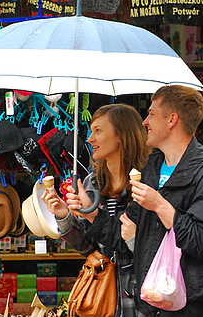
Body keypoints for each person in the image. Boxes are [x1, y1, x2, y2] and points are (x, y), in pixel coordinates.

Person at [67, 86, 203, 316]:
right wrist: (90, 212)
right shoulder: (151, 171)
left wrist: (160, 206)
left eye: (152, 114)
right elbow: (122, 237)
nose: (145, 122)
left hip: (189, 307)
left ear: (172, 119)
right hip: (150, 305)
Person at [42, 103, 150, 317]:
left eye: (98, 131)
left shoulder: (146, 184)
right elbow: (89, 249)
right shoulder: (92, 183)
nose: (90, 139)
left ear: (122, 135)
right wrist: (64, 215)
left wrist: (91, 214)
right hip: (100, 299)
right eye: (91, 131)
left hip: (139, 301)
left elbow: (147, 250)